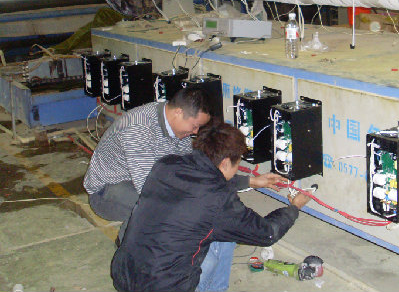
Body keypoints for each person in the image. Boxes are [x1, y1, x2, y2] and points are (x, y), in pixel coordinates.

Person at [83, 88, 284, 290]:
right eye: (195, 126)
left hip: (144, 183)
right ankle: (130, 250)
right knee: (160, 208)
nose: (196, 132)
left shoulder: (177, 128)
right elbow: (161, 190)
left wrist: (250, 181)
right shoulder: (139, 130)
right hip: (108, 192)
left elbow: (197, 177)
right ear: (179, 112)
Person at [111, 121, 311, 292]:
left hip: (125, 274)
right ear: (225, 163)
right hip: (164, 287)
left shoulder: (166, 165)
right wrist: (293, 208)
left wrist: (251, 181)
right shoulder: (219, 200)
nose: (236, 169)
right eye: (237, 164)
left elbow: (203, 182)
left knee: (217, 227)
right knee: (229, 227)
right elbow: (267, 234)